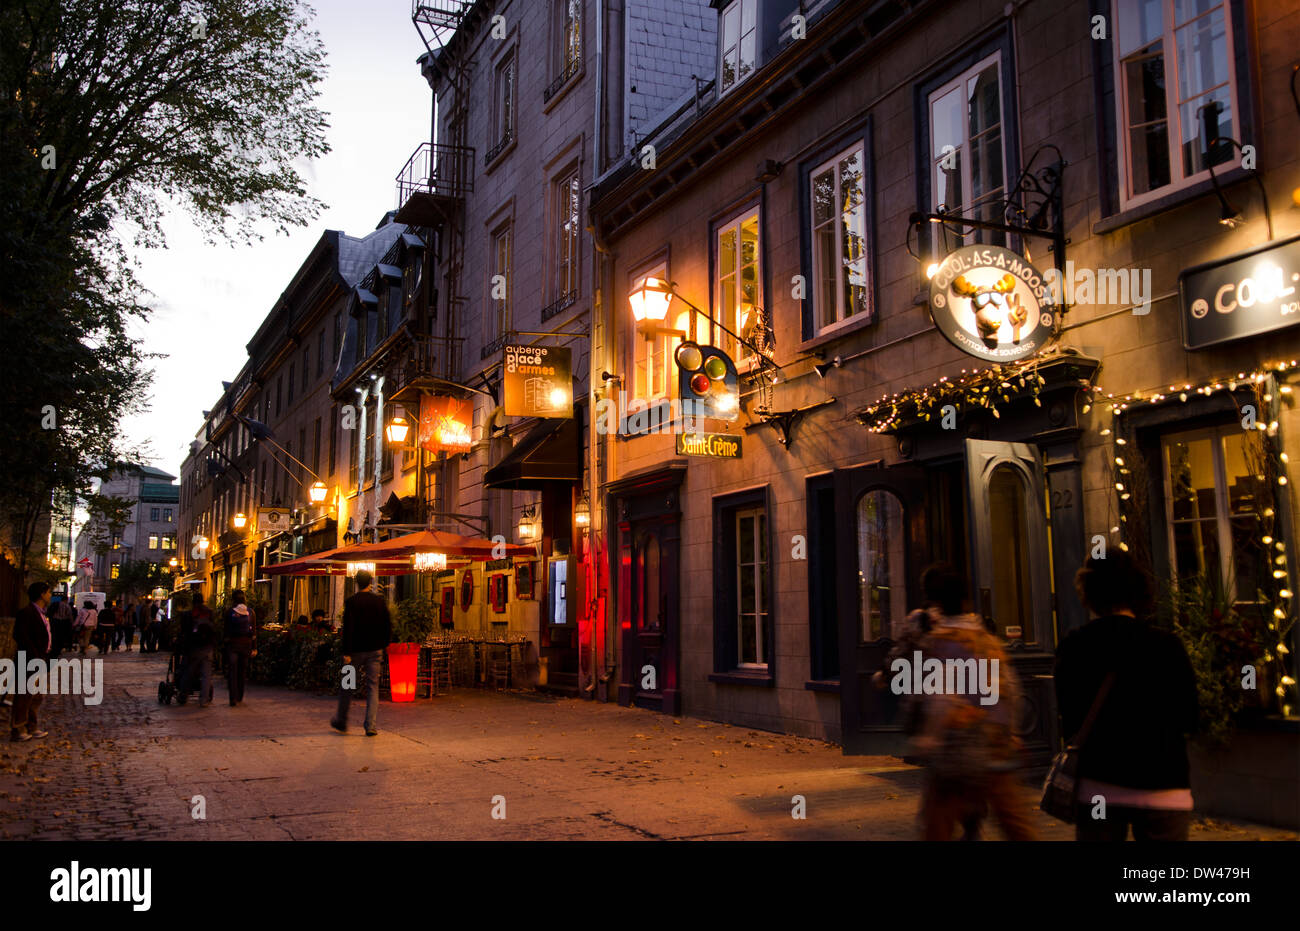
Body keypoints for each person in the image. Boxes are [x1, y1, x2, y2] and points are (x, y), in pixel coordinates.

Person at [1055, 551, 1199, 841]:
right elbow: (1190, 717)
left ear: (1089, 594)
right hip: (1163, 784)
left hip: (1099, 786)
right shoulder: (1166, 646)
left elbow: (1069, 719)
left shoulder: (1074, 647)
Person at [902, 564, 1035, 841]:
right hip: (996, 747)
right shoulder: (988, 641)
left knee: (936, 827)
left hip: (955, 751)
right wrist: (1011, 732)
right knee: (1016, 824)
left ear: (935, 603)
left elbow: (937, 697)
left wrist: (928, 736)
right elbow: (1010, 689)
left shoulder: (935, 645)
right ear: (966, 600)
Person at [331, 570, 391, 737]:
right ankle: (370, 726)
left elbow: (348, 628)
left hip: (354, 652)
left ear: (356, 582)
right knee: (373, 687)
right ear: (370, 582)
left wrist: (346, 652)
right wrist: (383, 645)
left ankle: (342, 720)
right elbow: (387, 626)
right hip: (375, 652)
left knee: (347, 685)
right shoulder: (379, 602)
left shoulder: (351, 602)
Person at [11, 582, 54, 742]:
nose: (50, 595)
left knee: (36, 696)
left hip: (40, 658)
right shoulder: (27, 612)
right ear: (42, 594)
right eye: (49, 592)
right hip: (28, 659)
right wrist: (34, 654)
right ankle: (17, 728)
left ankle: (31, 726)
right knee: (24, 695)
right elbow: (20, 635)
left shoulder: (43, 613)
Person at [177, 592, 216, 707]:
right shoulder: (209, 613)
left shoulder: (188, 614)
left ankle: (183, 696)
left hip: (193, 648)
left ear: (192, 602)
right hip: (208, 647)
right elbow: (213, 630)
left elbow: (183, 632)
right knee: (206, 675)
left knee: (188, 672)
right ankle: (203, 700)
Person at [223, 590, 257, 707]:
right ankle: (240, 696)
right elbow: (253, 632)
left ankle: (232, 698)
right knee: (242, 671)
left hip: (233, 645)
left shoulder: (229, 612)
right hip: (246, 645)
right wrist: (254, 647)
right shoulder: (251, 612)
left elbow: (226, 630)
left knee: (232, 672)